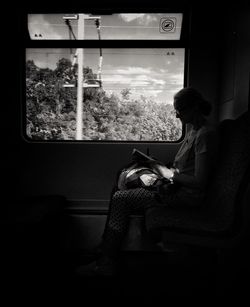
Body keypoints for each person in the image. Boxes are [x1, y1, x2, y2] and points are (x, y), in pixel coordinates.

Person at [75, 87, 218, 276]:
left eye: (179, 110)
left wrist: (168, 175)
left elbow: (200, 181)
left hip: (185, 196)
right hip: (175, 187)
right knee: (123, 182)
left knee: (121, 198)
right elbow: (184, 169)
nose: (176, 116)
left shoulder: (204, 135)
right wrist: (157, 167)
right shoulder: (193, 132)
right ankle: (105, 247)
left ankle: (106, 261)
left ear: (193, 108)